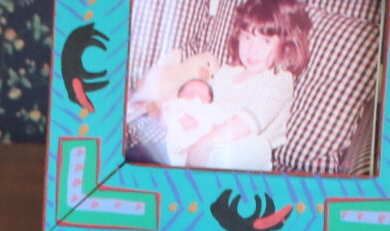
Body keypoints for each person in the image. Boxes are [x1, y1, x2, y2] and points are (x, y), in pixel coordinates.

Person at [128, 0, 308, 173]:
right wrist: (180, 114)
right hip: (202, 140)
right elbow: (200, 102)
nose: (253, 50)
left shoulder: (279, 79)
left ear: (285, 44)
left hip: (242, 150)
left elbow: (249, 122)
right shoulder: (226, 73)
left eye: (265, 41)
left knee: (254, 147)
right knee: (139, 153)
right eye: (247, 37)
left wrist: (205, 143)